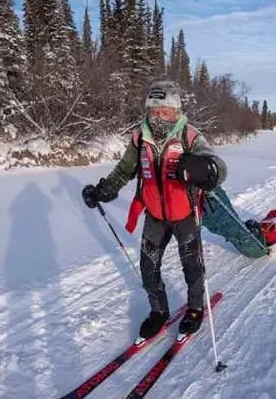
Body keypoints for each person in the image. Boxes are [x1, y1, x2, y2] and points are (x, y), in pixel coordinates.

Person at [82, 80, 227, 339]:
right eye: (153, 111)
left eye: (165, 111)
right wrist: (104, 191)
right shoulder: (139, 137)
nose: (158, 117)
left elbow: (218, 167)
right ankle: (158, 311)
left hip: (185, 214)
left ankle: (195, 308)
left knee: (192, 266)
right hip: (155, 216)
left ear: (176, 111)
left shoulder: (189, 135)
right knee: (148, 267)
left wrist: (203, 170)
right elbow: (125, 170)